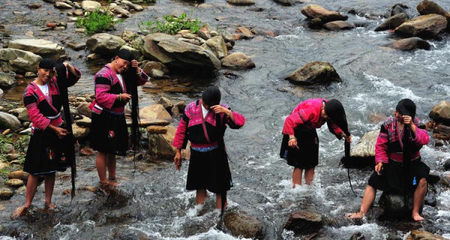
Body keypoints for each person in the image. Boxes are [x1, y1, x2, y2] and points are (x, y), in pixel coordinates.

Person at [11, 59, 81, 219]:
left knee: (51, 169)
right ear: (38, 69)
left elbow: (75, 78)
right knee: (35, 171)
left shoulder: (55, 83)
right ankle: (27, 203)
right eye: (45, 71)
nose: (47, 75)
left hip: (58, 128)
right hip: (42, 132)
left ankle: (48, 201)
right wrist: (55, 129)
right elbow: (35, 116)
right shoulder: (30, 92)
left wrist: (68, 66)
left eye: (51, 72)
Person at [346, 99, 430, 221]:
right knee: (373, 180)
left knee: (422, 181)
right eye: (396, 111)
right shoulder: (388, 124)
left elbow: (424, 140)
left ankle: (415, 212)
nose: (396, 114)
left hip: (412, 164)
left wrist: (411, 126)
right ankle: (361, 212)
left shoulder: (417, 124)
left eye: (399, 113)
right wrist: (380, 161)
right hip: (393, 164)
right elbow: (381, 145)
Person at [172, 86, 245, 210]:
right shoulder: (191, 108)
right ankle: (199, 213)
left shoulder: (222, 110)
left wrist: (227, 112)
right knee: (199, 186)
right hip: (196, 153)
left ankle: (220, 214)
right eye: (205, 104)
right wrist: (178, 151)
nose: (207, 107)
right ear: (202, 100)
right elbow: (182, 129)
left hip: (216, 153)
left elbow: (239, 123)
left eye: (210, 106)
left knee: (220, 188)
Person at [90, 49, 149, 191]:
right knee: (103, 149)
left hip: (117, 114)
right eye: (123, 64)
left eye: (127, 65)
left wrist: (137, 69)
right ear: (116, 58)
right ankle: (103, 181)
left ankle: (112, 177)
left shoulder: (123, 73)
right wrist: (118, 97)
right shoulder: (103, 74)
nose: (124, 67)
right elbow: (101, 97)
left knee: (112, 148)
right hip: (103, 116)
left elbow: (143, 80)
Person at [280, 98, 352, 187]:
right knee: (299, 164)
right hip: (295, 129)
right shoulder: (311, 109)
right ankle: (296, 189)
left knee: (312, 162)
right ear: (323, 107)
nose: (325, 117)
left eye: (327, 116)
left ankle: (309, 188)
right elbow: (289, 120)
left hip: (309, 128)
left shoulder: (330, 110)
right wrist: (291, 137)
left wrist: (343, 134)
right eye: (324, 114)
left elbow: (334, 125)